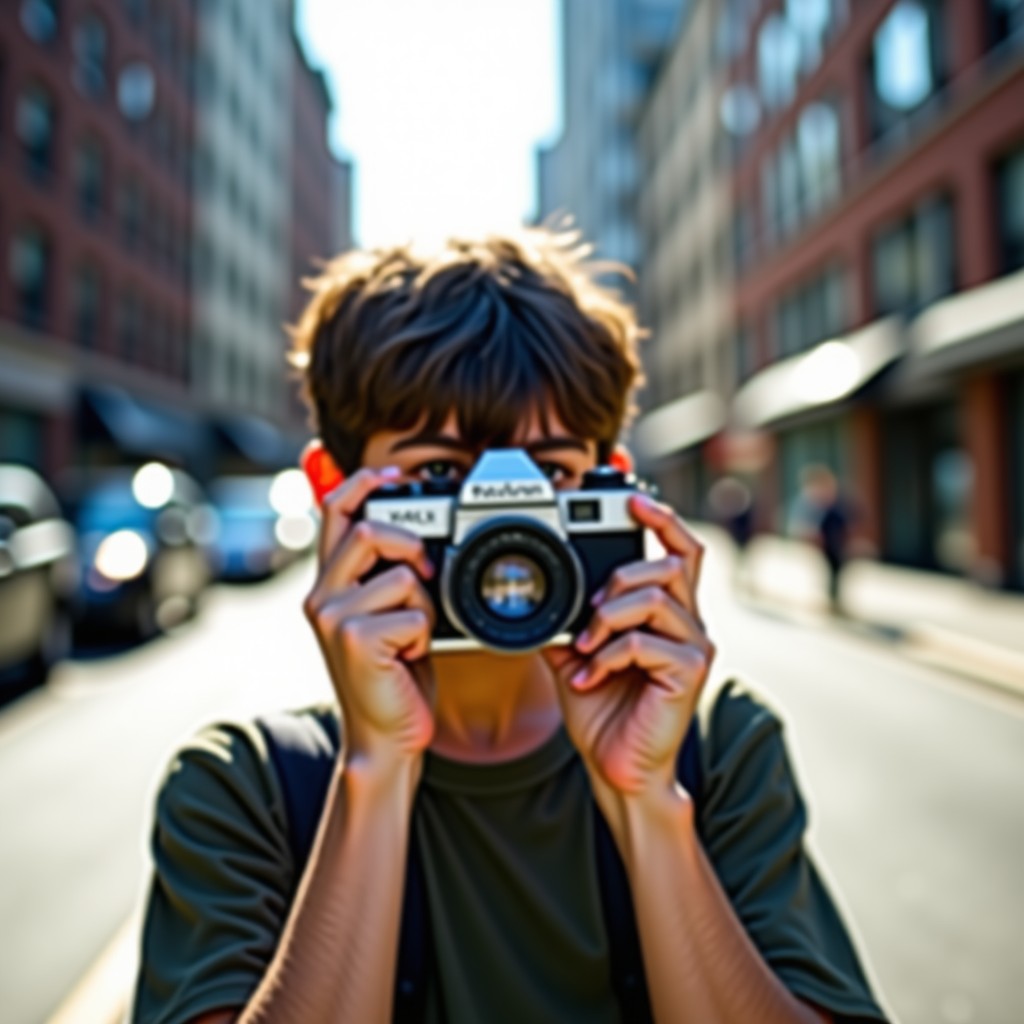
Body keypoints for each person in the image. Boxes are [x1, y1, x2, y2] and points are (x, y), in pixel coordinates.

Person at [130, 230, 888, 1024]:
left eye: (551, 475)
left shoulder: (716, 750)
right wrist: (374, 773)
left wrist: (648, 803)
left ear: (614, 490)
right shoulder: (242, 789)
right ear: (334, 491)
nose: (503, 521)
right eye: (436, 475)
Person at [796, 465, 852, 614]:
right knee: (831, 571)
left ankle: (834, 600)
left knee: (836, 571)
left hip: (836, 541)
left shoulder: (834, 502)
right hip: (828, 543)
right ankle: (832, 600)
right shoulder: (814, 502)